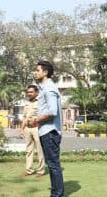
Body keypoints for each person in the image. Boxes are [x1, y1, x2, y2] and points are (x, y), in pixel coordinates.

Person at [30, 60, 64, 197]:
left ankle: (57, 194)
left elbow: (52, 112)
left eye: (37, 70)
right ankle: (56, 192)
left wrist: (35, 120)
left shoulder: (49, 88)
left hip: (50, 132)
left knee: (53, 165)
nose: (35, 72)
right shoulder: (45, 88)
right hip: (47, 131)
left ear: (45, 72)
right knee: (52, 165)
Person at [20, 84, 45, 178]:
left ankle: (41, 171)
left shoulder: (41, 102)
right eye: (28, 92)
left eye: (31, 92)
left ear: (36, 92)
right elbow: (24, 117)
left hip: (37, 128)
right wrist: (22, 129)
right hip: (27, 129)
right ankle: (29, 170)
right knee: (28, 150)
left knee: (40, 150)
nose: (29, 93)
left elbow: (43, 116)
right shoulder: (27, 103)